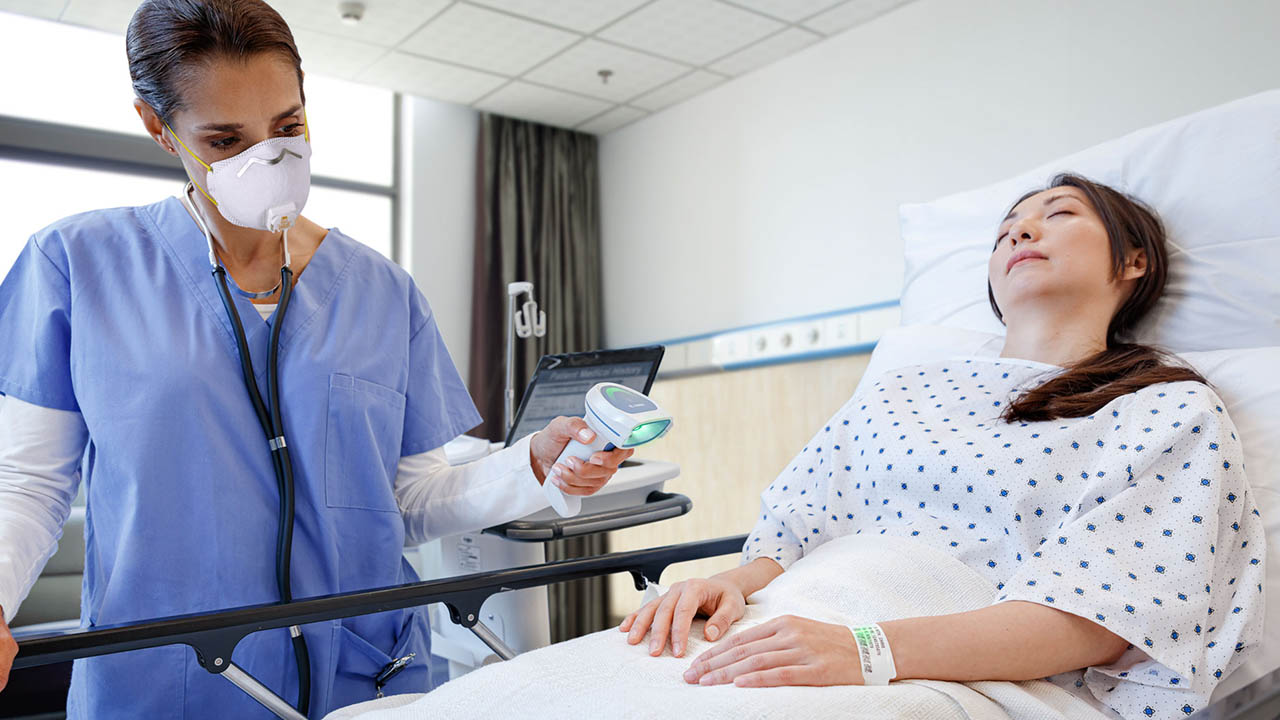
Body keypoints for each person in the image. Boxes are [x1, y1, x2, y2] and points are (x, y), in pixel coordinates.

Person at [0, 0, 632, 716]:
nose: (268, 158)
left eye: (287, 126)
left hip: (365, 678)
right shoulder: (79, 266)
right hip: (164, 683)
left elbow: (405, 502)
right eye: (225, 139)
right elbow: (28, 485)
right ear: (157, 125)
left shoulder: (383, 292)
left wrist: (533, 466)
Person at [622, 174, 1265, 719]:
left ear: (1134, 261)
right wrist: (726, 582)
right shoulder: (900, 389)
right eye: (1006, 229)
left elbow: (1103, 617)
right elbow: (796, 533)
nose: (1019, 231)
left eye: (1059, 214)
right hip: (789, 624)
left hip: (961, 671)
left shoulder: (1165, 408)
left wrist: (867, 649)